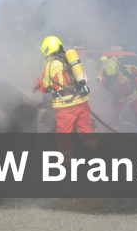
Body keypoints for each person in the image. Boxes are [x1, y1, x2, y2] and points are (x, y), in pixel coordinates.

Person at [38, 36, 98, 165]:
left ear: (48, 50)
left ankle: (67, 167)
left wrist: (39, 85)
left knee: (64, 136)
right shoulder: (70, 59)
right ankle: (95, 156)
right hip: (81, 102)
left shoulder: (50, 65)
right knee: (85, 128)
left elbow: (46, 86)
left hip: (66, 107)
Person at [101, 56, 137, 132]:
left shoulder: (128, 69)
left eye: (113, 76)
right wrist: (105, 95)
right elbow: (105, 87)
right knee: (115, 117)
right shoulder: (106, 75)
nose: (111, 78)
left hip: (134, 94)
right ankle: (114, 133)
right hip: (118, 97)